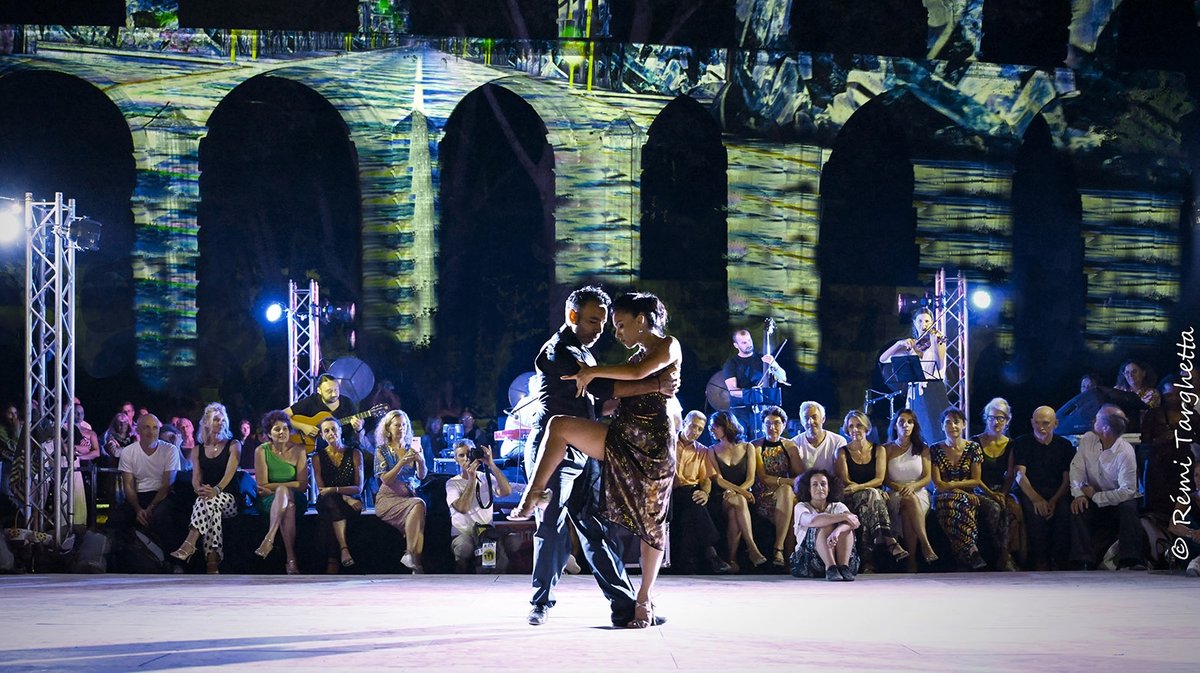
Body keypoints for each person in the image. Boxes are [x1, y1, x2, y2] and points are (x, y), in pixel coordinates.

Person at [512, 291, 682, 629]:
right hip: (554, 451)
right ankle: (540, 603)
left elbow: (600, 401)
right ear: (573, 317)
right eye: (595, 321)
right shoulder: (557, 352)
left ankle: (625, 605)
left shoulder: (596, 352)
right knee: (551, 525)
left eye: (607, 323)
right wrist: (655, 384)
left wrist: (651, 392)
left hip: (586, 447)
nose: (602, 330)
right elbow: (606, 389)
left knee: (597, 528)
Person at [930, 407, 1012, 570]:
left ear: (964, 425)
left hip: (968, 494)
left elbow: (975, 480)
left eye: (956, 422)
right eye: (948, 422)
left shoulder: (973, 448)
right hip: (942, 496)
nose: (952, 426)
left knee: (994, 507)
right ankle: (971, 549)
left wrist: (991, 494)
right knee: (958, 502)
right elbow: (939, 484)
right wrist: (960, 491)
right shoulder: (935, 449)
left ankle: (1000, 554)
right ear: (942, 426)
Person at [1069, 406, 1145, 570]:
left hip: (1117, 501)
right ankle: (1083, 560)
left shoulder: (1125, 452)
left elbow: (1128, 491)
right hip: (1093, 496)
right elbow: (1077, 468)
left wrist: (1097, 496)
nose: (1092, 421)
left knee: (1128, 508)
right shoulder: (1088, 439)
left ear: (1105, 428)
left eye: (1096, 419)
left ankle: (1130, 560)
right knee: (1079, 507)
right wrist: (1078, 494)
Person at [169, 403, 240, 574]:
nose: (220, 422)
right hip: (208, 498)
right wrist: (199, 490)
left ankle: (189, 543)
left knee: (209, 502)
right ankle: (212, 562)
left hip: (229, 498)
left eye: (223, 419)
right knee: (210, 507)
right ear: (206, 423)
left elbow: (229, 475)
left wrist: (215, 490)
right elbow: (196, 479)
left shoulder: (234, 444)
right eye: (216, 419)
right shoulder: (197, 450)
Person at [835, 410, 908, 569]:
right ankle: (889, 540)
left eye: (859, 425)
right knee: (871, 497)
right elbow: (846, 481)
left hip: (874, 495)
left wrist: (860, 487)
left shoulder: (879, 450)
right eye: (851, 426)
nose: (855, 430)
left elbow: (880, 479)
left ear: (866, 428)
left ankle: (867, 560)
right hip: (852, 496)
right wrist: (859, 489)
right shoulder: (842, 452)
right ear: (847, 430)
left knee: (869, 503)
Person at [109, 414, 180, 564]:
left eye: (155, 428)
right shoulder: (128, 452)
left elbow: (167, 484)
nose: (151, 431)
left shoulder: (170, 450)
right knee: (116, 519)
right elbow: (128, 485)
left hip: (162, 496)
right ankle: (115, 563)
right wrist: (137, 509)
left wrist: (150, 508)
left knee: (163, 517)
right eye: (146, 427)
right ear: (138, 430)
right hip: (138, 496)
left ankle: (172, 562)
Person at [1011, 406, 1074, 570]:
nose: (1041, 427)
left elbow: (1067, 478)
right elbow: (1020, 475)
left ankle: (1059, 560)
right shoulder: (1022, 442)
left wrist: (1054, 501)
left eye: (1046, 423)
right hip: (1031, 490)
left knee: (1064, 513)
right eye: (1037, 423)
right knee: (1034, 513)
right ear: (1032, 422)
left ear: (1055, 424)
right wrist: (1036, 499)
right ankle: (1039, 560)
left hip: (1057, 491)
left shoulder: (1065, 446)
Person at [669, 411, 731, 574]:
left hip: (688, 492)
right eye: (693, 426)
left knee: (695, 503)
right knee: (691, 504)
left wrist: (704, 493)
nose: (695, 432)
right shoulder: (667, 442)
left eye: (699, 429)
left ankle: (690, 563)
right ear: (684, 423)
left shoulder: (702, 451)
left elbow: (706, 479)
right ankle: (711, 554)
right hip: (666, 492)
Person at [707, 410, 768, 572]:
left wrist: (738, 491)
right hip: (721, 495)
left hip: (741, 495)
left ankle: (732, 560)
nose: (711, 430)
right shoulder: (711, 450)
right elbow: (718, 479)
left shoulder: (748, 447)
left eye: (714, 427)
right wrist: (740, 492)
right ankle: (752, 548)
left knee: (736, 510)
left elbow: (751, 478)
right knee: (738, 501)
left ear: (725, 426)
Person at [253, 410, 309, 575]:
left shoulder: (299, 450)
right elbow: (261, 484)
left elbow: (303, 485)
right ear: (269, 433)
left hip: (296, 497)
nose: (282, 432)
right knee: (288, 506)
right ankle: (291, 559)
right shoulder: (261, 451)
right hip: (269, 500)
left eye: (285, 428)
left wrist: (277, 486)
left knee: (286, 494)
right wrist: (285, 487)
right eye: (277, 429)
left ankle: (269, 537)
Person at [879, 308, 948, 440]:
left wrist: (934, 344)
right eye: (920, 321)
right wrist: (899, 343)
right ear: (915, 323)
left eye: (927, 321)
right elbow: (883, 359)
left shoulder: (938, 341)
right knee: (914, 430)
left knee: (931, 430)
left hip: (932, 390)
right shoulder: (911, 344)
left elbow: (940, 366)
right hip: (914, 391)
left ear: (932, 323)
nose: (924, 324)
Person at [446, 438, 512, 573]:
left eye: (469, 454)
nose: (466, 458)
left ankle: (494, 577)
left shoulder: (485, 477)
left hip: (485, 532)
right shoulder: (452, 483)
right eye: (461, 455)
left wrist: (491, 464)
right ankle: (461, 576)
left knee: (511, 542)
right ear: (455, 459)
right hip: (463, 534)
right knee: (464, 547)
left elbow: (506, 491)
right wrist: (471, 478)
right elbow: (462, 508)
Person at [373, 409, 427, 573]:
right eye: (397, 425)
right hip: (388, 499)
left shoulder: (413, 448)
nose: (401, 428)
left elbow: (422, 475)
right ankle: (415, 562)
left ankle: (413, 561)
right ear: (388, 428)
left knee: (418, 507)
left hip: (409, 496)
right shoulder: (381, 450)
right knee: (419, 505)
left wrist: (421, 460)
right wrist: (401, 463)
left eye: (404, 425)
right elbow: (385, 479)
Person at [973, 398, 1024, 569]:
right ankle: (1001, 554)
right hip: (980, 489)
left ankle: (1013, 553)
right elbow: (976, 477)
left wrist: (1003, 492)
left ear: (1007, 421)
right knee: (995, 508)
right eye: (992, 417)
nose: (996, 422)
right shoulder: (976, 442)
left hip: (1001, 490)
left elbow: (1010, 475)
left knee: (1014, 508)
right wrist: (993, 494)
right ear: (986, 418)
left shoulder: (1010, 444)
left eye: (1001, 418)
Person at [883, 409, 937, 569]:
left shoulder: (923, 448)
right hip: (894, 492)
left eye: (910, 422)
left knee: (908, 505)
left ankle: (911, 560)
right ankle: (925, 545)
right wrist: (899, 487)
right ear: (895, 426)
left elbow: (927, 477)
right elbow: (884, 478)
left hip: (919, 491)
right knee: (907, 499)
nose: (905, 425)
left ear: (914, 426)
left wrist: (913, 486)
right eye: (901, 422)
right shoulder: (886, 449)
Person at [752, 405, 804, 567]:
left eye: (776, 423)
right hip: (764, 495)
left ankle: (782, 553)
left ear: (784, 425)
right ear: (762, 426)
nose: (772, 427)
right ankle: (783, 553)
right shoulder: (756, 446)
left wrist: (787, 484)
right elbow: (764, 478)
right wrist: (786, 481)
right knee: (790, 498)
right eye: (767, 423)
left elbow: (801, 476)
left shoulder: (789, 446)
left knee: (790, 499)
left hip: (785, 495)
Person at [313, 418, 364, 573]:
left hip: (352, 500)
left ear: (341, 431)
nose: (331, 433)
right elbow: (322, 489)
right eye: (326, 431)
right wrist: (343, 495)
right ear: (322, 435)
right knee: (330, 502)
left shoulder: (355, 453)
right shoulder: (317, 457)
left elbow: (358, 488)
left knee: (330, 519)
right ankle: (344, 549)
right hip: (329, 500)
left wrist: (339, 493)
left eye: (334, 429)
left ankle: (332, 562)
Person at [790, 468, 860, 581]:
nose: (820, 488)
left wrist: (838, 531)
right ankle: (830, 567)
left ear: (829, 488)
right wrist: (843, 517)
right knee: (825, 523)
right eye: (814, 485)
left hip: (842, 559)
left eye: (823, 484)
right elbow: (812, 521)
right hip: (808, 561)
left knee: (845, 528)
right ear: (808, 489)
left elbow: (855, 522)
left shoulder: (838, 506)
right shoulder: (801, 506)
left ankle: (843, 567)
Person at [286, 374, 365, 451]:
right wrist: (302, 427)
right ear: (319, 391)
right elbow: (281, 415)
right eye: (329, 391)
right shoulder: (311, 401)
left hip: (344, 449)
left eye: (336, 390)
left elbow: (358, 439)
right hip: (317, 452)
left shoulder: (347, 403)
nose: (334, 394)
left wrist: (359, 429)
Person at [722, 328, 787, 404]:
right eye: (744, 342)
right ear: (736, 345)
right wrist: (753, 394)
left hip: (768, 403)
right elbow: (733, 391)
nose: (749, 344)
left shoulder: (763, 358)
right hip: (744, 407)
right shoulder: (731, 363)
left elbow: (783, 378)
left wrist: (774, 364)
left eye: (749, 340)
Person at [792, 401, 846, 473]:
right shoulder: (794, 443)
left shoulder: (838, 441)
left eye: (814, 417)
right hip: (805, 483)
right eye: (806, 418)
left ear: (823, 419)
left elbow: (841, 474)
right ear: (802, 422)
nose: (810, 422)